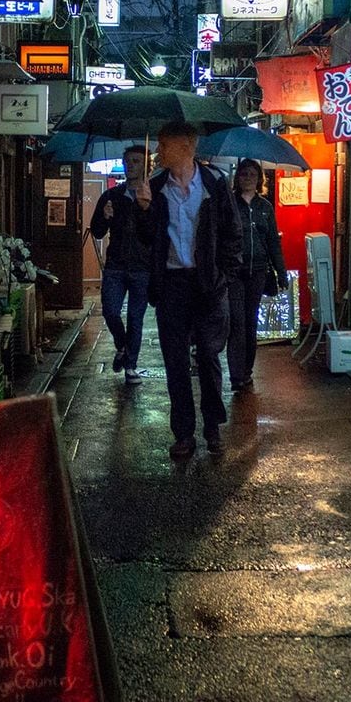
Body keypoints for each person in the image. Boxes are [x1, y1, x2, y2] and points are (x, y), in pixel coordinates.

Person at [134, 121, 242, 459]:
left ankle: (212, 428)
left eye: (164, 144)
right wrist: (144, 210)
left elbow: (232, 232)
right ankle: (183, 433)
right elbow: (147, 240)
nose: (158, 151)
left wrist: (223, 273)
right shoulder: (155, 187)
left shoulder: (213, 184)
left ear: (186, 146)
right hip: (171, 285)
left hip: (207, 282)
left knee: (209, 355)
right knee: (175, 361)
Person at [90, 145, 152, 385]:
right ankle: (122, 345)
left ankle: (131, 365)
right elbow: (96, 231)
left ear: (145, 164)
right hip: (116, 264)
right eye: (127, 161)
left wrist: (146, 208)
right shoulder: (111, 196)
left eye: (136, 161)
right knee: (110, 311)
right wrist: (103, 217)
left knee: (136, 319)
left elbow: (154, 232)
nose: (131, 165)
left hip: (141, 267)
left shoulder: (151, 195)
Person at [227, 158, 288, 392]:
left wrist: (281, 272)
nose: (248, 179)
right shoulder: (230, 204)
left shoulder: (265, 207)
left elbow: (273, 241)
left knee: (250, 322)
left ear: (259, 179)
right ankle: (235, 375)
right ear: (237, 177)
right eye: (244, 174)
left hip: (258, 271)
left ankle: (246, 372)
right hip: (234, 271)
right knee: (237, 322)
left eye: (252, 175)